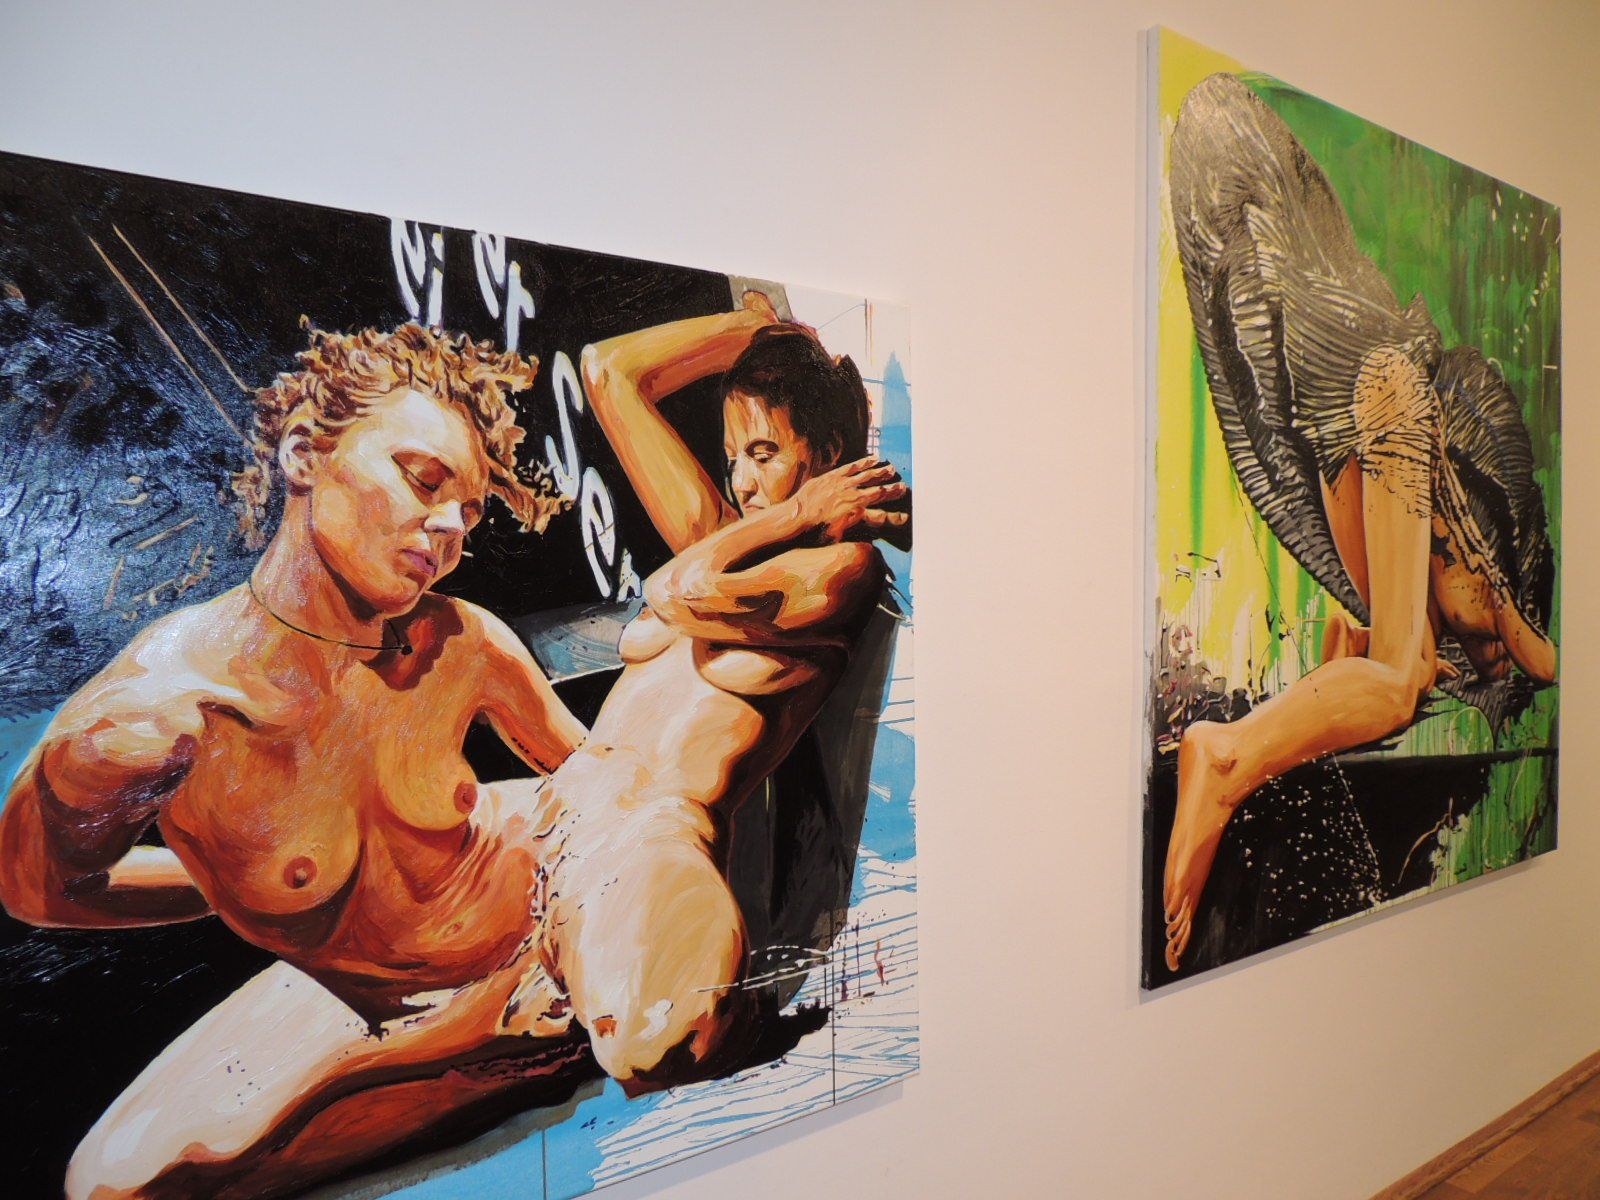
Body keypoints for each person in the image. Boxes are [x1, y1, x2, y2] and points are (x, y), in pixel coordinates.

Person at [4, 304, 905, 1197]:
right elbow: (37, 889)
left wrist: (637, 898)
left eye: (467, 509)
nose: (448, 529)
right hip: (406, 983)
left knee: (657, 1033)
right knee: (111, 1182)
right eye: (421, 479)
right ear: (304, 454)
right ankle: (483, 1053)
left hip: (567, 880)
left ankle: (523, 1029)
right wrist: (243, 881)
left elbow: (612, 753)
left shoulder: (469, 640)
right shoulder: (152, 719)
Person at [1160, 74, 1558, 971]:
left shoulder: (1439, 570)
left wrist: (1376, 660)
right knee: (1401, 680)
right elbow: (1545, 662)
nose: (1485, 658)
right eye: (1488, 647)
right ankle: (1224, 757)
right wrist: (1505, 641)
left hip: (1362, 399)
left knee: (1395, 665)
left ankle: (1237, 754)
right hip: (1390, 393)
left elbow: (1355, 638)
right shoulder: (1492, 585)